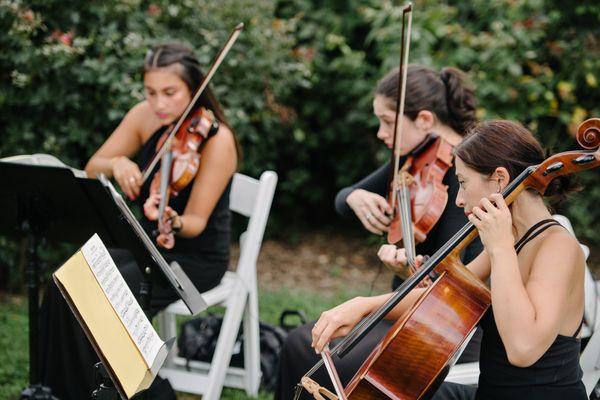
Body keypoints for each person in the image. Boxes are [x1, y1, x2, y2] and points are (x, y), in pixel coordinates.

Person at [311, 120, 587, 400]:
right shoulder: (513, 237)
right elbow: (445, 295)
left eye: (463, 183)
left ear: (500, 180)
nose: (458, 199)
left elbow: (523, 348)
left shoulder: (557, 247)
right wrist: (364, 307)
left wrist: (500, 248)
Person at [39, 42, 239, 400]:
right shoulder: (145, 116)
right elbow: (93, 166)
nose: (159, 103)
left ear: (194, 89)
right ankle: (63, 392)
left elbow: (194, 221)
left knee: (101, 299)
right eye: (150, 92)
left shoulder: (216, 140)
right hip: (140, 243)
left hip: (192, 257)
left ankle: (147, 393)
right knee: (67, 281)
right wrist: (117, 164)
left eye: (170, 93)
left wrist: (173, 221)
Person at [275, 64, 483, 400]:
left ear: (425, 121)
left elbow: (463, 279)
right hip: (400, 307)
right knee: (300, 343)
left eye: (388, 122)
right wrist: (356, 198)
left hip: (439, 324)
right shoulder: (414, 160)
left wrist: (410, 271)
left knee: (312, 352)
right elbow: (342, 199)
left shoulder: (472, 176)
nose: (380, 133)